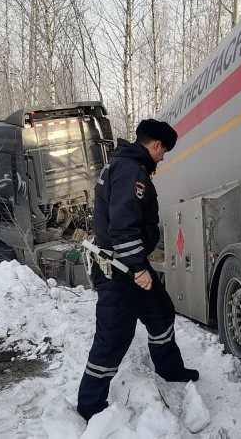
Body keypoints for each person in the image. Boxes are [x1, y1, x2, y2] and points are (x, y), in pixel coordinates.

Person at [77, 119, 199, 421]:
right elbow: (122, 227)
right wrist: (138, 268)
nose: (163, 157)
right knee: (114, 335)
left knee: (160, 312)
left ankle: (170, 370)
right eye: (164, 151)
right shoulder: (131, 171)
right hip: (119, 268)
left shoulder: (127, 165)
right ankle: (90, 405)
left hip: (128, 264)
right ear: (155, 145)